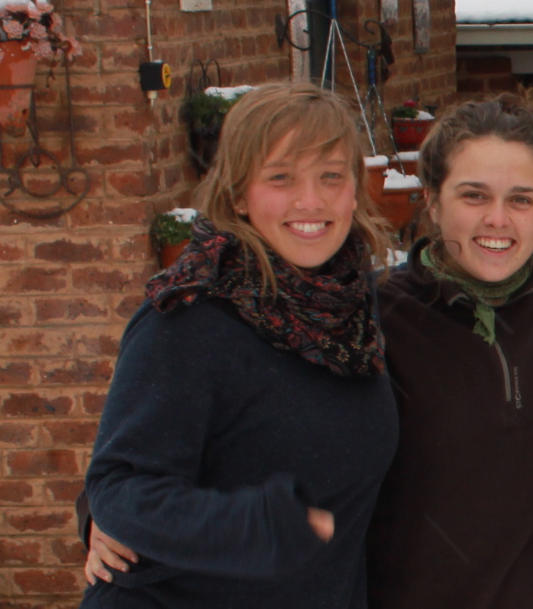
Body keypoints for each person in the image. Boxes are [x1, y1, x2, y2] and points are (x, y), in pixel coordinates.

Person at [79, 81, 397, 608]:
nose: (311, 200)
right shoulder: (189, 319)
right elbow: (119, 487)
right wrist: (254, 528)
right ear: (237, 195)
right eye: (281, 177)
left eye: (331, 176)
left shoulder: (352, 311)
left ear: (354, 190)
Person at [362, 91, 533, 608]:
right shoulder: (378, 321)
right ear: (433, 200)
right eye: (474, 196)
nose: (498, 219)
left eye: (521, 199)